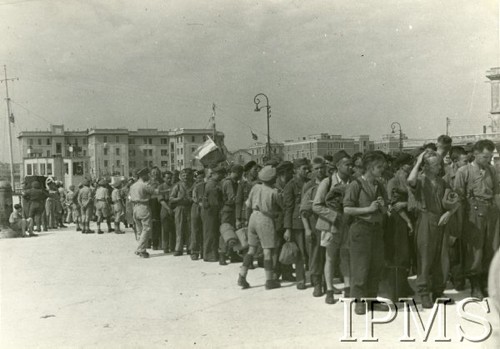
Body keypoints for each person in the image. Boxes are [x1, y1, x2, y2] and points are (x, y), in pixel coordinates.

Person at [408, 149, 457, 308]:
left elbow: (455, 200)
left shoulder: (443, 182)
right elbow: (410, 180)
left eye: (439, 164)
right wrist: (418, 161)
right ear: (426, 166)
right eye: (435, 165)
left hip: (441, 220)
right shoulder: (420, 180)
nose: (439, 167)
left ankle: (438, 291)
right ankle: (423, 292)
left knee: (442, 257)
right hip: (425, 219)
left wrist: (449, 213)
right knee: (425, 256)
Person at [344, 151, 388, 315]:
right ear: (369, 168)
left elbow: (385, 209)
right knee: (360, 267)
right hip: (360, 229)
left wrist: (383, 206)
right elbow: (347, 209)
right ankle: (359, 301)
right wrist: (368, 209)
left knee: (376, 266)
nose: (381, 170)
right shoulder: (356, 185)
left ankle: (371, 299)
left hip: (376, 230)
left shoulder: (379, 185)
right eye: (378, 167)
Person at [454, 139, 500, 300]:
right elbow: (458, 196)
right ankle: (475, 285)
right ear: (475, 154)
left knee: (491, 247)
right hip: (473, 212)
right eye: (485, 157)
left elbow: (496, 193)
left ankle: (485, 282)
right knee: (475, 249)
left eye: (489, 157)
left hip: (491, 211)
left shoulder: (492, 171)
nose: (488, 160)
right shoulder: (463, 171)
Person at [313, 150, 353, 304]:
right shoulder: (327, 182)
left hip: (347, 226)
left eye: (351, 165)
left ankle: (348, 287)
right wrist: (334, 216)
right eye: (346, 164)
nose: (350, 168)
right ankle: (329, 290)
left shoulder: (353, 182)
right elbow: (316, 206)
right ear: (337, 166)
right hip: (330, 226)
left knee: (346, 256)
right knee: (330, 258)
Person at [237, 165, 281, 290]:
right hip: (265, 219)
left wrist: (246, 220)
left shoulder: (255, 187)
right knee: (267, 251)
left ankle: (242, 276)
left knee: (251, 249)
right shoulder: (274, 192)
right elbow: (281, 206)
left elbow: (248, 204)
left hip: (253, 217)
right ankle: (269, 280)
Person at [300, 157, 328, 298]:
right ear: (312, 170)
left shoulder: (330, 183)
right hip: (314, 224)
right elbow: (304, 211)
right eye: (316, 168)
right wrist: (307, 229)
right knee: (315, 255)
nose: (320, 171)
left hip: (329, 224)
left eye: (321, 168)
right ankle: (317, 284)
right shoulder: (309, 187)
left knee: (329, 255)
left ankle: (328, 283)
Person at [283, 158, 310, 290]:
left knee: (312, 250)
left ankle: (315, 277)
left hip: (310, 221)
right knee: (299, 252)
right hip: (297, 223)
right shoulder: (290, 185)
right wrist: (287, 228)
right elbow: (288, 208)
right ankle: (300, 279)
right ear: (296, 170)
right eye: (304, 169)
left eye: (307, 168)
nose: (307, 171)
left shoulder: (310, 183)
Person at [129, 168, 158, 258]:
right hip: (143, 206)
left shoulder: (133, 186)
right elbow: (156, 192)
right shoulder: (144, 185)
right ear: (143, 175)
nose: (148, 176)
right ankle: (141, 250)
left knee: (139, 230)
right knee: (147, 229)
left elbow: (130, 197)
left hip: (135, 207)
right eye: (147, 175)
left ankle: (141, 248)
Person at [220, 164, 244, 264]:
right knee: (226, 231)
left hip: (229, 210)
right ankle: (223, 254)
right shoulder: (229, 183)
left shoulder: (227, 181)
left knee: (232, 232)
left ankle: (232, 253)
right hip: (228, 210)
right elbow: (232, 198)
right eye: (240, 173)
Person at [202, 164, 225, 263]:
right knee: (210, 233)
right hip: (211, 212)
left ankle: (211, 254)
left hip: (211, 211)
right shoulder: (212, 185)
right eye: (221, 174)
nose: (222, 176)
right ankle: (209, 254)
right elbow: (214, 202)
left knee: (212, 232)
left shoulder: (213, 183)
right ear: (215, 174)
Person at [169, 168, 194, 256]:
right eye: (183, 175)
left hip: (190, 208)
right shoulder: (177, 186)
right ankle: (178, 249)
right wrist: (179, 198)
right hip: (180, 208)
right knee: (179, 228)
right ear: (181, 176)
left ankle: (190, 248)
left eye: (187, 175)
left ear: (191, 176)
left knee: (190, 228)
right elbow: (171, 199)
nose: (185, 177)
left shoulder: (193, 185)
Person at [190, 170, 206, 260]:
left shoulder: (206, 185)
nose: (200, 179)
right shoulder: (194, 186)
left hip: (204, 208)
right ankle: (194, 252)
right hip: (196, 207)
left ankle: (204, 251)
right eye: (198, 178)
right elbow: (190, 196)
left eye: (201, 177)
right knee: (195, 230)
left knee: (204, 229)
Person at [158, 171, 175, 253]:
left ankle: (172, 246)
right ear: (163, 178)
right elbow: (161, 200)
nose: (169, 179)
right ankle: (165, 246)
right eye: (167, 178)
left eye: (170, 178)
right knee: (165, 229)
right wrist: (168, 209)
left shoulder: (174, 186)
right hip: (165, 209)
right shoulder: (161, 187)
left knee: (173, 229)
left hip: (174, 208)